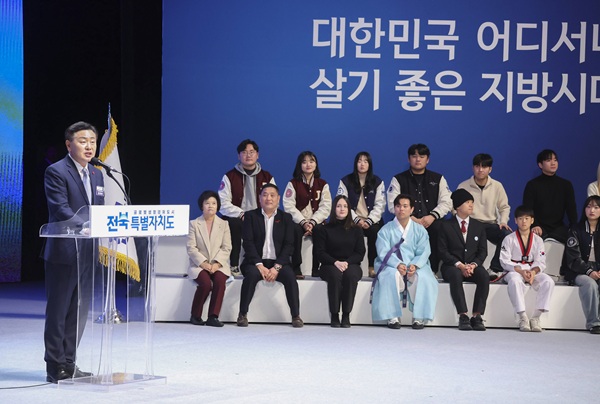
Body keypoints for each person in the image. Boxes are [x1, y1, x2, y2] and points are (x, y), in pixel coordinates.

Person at [42, 121, 105, 383]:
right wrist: (86, 226)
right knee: (59, 311)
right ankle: (55, 365)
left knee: (79, 311)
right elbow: (60, 209)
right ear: (69, 145)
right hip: (64, 251)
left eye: (92, 141)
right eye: (82, 141)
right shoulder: (56, 171)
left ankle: (70, 362)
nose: (89, 146)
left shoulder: (98, 174)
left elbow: (99, 210)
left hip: (89, 251)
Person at [237, 184, 303, 328]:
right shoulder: (251, 216)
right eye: (265, 195)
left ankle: (296, 316)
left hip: (278, 262)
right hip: (255, 262)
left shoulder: (286, 218)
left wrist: (276, 267)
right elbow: (248, 243)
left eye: (272, 195)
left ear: (278, 198)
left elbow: (289, 245)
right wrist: (259, 265)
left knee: (290, 278)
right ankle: (242, 314)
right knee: (251, 276)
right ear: (260, 198)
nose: (268, 198)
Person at [371, 194, 439, 330]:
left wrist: (414, 265)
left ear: (411, 209)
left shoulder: (420, 230)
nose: (401, 209)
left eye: (405, 206)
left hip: (416, 264)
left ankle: (419, 317)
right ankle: (392, 317)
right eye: (398, 206)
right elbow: (383, 251)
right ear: (394, 209)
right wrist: (397, 264)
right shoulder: (385, 230)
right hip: (391, 264)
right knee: (390, 275)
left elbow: (424, 251)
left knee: (425, 277)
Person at [387, 143, 452, 273]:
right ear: (408, 159)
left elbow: (447, 202)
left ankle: (432, 270)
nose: (418, 159)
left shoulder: (438, 178)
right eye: (414, 156)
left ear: (427, 160)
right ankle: (405, 268)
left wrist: (432, 216)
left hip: (431, 220)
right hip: (408, 220)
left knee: (439, 228)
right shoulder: (398, 179)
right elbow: (392, 204)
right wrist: (411, 218)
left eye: (422, 156)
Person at [218, 139, 275, 273]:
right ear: (239, 156)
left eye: (251, 152)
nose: (248, 155)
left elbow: (273, 200)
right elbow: (223, 203)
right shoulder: (229, 176)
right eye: (244, 152)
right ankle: (233, 264)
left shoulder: (267, 177)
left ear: (257, 155)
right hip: (238, 217)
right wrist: (241, 214)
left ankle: (266, 264)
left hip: (259, 216)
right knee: (234, 224)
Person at [438, 189, 489, 331]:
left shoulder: (479, 226)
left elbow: (483, 251)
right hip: (451, 266)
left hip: (472, 266)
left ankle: (477, 315)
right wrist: (460, 265)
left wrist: (473, 265)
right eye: (467, 202)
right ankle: (463, 315)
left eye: (472, 202)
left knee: (484, 275)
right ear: (458, 206)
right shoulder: (446, 226)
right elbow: (442, 251)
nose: (471, 205)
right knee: (455, 275)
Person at [500, 205, 555, 332]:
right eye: (520, 218)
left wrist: (533, 272)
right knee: (515, 281)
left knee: (548, 281)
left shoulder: (538, 240)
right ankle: (522, 317)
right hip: (514, 270)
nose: (523, 221)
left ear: (532, 220)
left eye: (526, 218)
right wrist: (521, 271)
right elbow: (504, 261)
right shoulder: (509, 239)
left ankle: (536, 317)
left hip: (531, 269)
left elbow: (540, 261)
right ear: (515, 221)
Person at [314, 195, 365, 328]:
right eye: (338, 206)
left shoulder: (357, 230)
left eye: (345, 206)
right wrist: (335, 262)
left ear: (349, 209)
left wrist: (347, 262)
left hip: (351, 264)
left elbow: (360, 253)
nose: (342, 209)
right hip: (329, 264)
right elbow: (320, 253)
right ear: (333, 209)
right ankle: (335, 314)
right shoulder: (324, 229)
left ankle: (346, 314)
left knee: (350, 275)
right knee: (335, 275)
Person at [457, 153, 511, 278]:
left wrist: (503, 221)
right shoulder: (463, 186)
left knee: (506, 234)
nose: (480, 170)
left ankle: (494, 269)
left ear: (490, 169)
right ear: (473, 168)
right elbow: (455, 208)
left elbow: (504, 207)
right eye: (477, 166)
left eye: (484, 167)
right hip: (471, 224)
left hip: (490, 224)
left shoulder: (497, 186)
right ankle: (464, 267)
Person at [282, 151, 332, 279]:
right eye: (304, 162)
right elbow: (289, 206)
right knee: (295, 230)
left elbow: (326, 206)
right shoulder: (293, 183)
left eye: (311, 161)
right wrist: (303, 222)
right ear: (299, 165)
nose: (308, 164)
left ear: (316, 164)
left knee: (320, 230)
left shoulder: (323, 184)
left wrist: (313, 222)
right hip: (298, 221)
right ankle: (296, 267)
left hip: (316, 221)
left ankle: (316, 267)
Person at [186, 191, 232, 327]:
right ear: (202, 206)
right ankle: (195, 315)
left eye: (214, 203)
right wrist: (204, 263)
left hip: (218, 264)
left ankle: (213, 317)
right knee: (205, 284)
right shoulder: (194, 224)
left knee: (219, 281)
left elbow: (226, 247)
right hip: (199, 264)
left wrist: (217, 264)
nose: (210, 206)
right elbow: (191, 248)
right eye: (207, 203)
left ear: (218, 206)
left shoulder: (224, 224)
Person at [337, 151, 386, 278]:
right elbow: (342, 203)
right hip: (351, 219)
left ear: (370, 164)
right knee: (347, 231)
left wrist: (369, 221)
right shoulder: (346, 181)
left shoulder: (377, 182)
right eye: (359, 161)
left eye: (365, 161)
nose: (362, 164)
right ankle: (349, 265)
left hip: (372, 221)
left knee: (375, 231)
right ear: (355, 163)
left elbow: (380, 205)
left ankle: (372, 267)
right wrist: (356, 219)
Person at [560, 195, 600, 334]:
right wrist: (589, 271)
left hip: (597, 270)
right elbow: (573, 259)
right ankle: (594, 323)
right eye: (588, 207)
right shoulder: (575, 229)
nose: (592, 210)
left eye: (596, 207)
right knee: (590, 284)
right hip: (578, 271)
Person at [522, 149, 577, 243]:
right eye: (548, 160)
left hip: (559, 228)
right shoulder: (532, 185)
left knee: (571, 239)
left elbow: (571, 209)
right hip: (539, 227)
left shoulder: (566, 185)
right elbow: (527, 209)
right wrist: (534, 225)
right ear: (540, 165)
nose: (553, 163)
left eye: (555, 160)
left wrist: (574, 228)